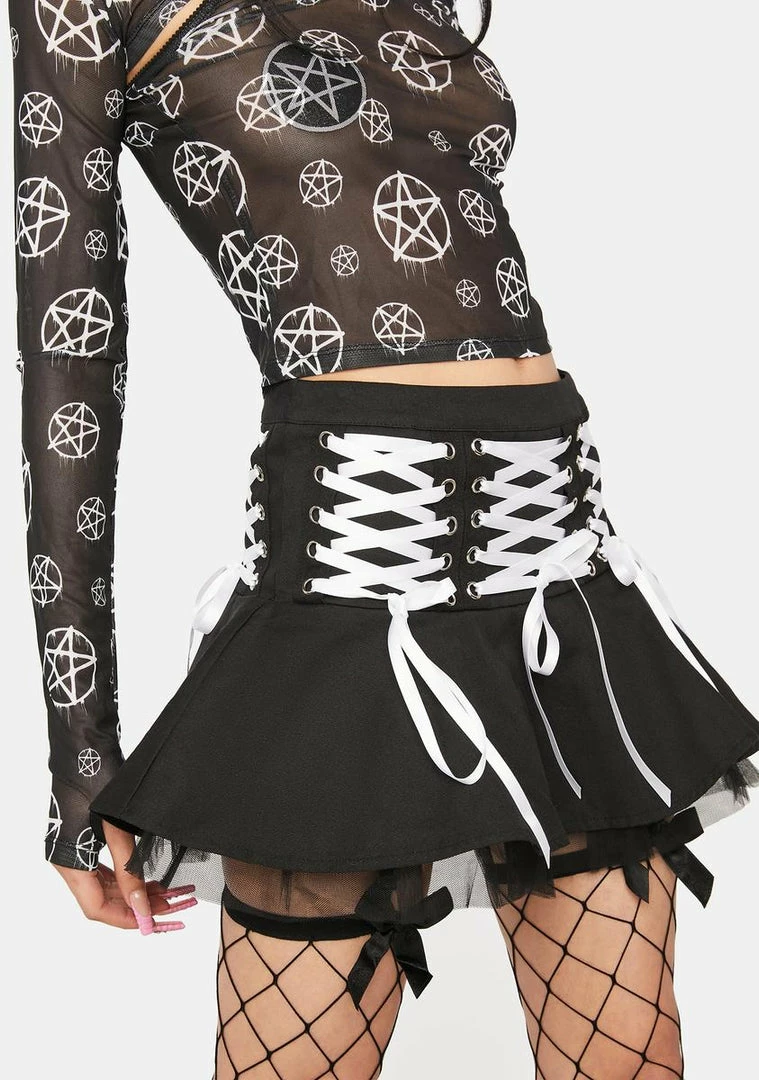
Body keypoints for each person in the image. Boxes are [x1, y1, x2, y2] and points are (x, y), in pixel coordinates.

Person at [8, 1, 759, 1076]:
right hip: (356, 573)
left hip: (555, 575)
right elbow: (68, 361)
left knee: (633, 1056)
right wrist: (81, 755)